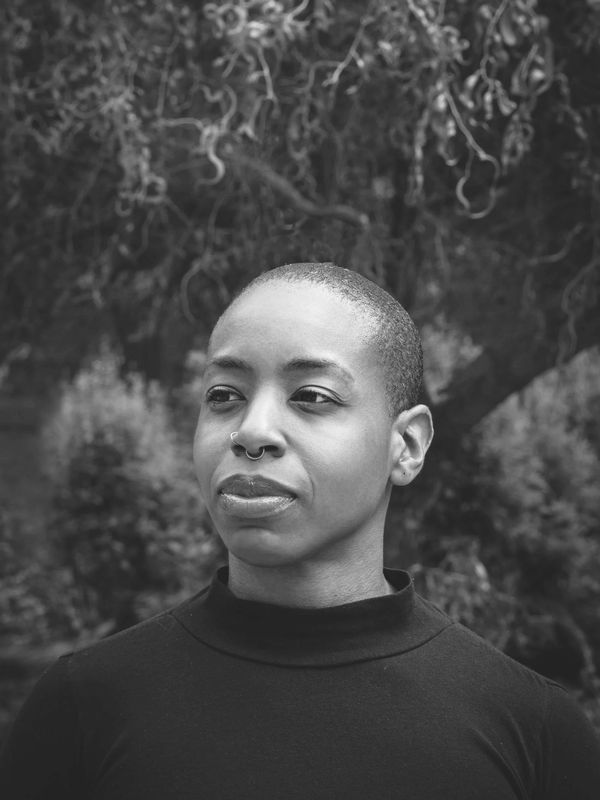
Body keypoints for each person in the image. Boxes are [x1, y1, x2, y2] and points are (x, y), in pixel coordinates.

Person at [1, 262, 599, 799]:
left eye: (311, 396)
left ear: (407, 445)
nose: (251, 430)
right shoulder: (85, 706)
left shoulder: (531, 730)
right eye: (223, 396)